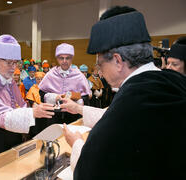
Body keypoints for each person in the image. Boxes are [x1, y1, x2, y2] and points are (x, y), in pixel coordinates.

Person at [61, 6, 186, 179]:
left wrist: (76, 144)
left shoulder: (133, 99)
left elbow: (90, 171)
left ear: (118, 61)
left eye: (100, 64)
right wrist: (79, 109)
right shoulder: (171, 82)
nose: (100, 71)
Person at [0, 35, 54, 163]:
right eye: (9, 63)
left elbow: (20, 105)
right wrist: (32, 113)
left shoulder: (10, 81)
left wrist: (34, 108)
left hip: (11, 142)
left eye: (16, 63)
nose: (14, 68)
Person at [38, 43, 91, 125]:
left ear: (72, 58)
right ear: (57, 59)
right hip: (53, 116)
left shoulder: (79, 75)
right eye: (61, 58)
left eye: (68, 58)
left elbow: (85, 97)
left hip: (73, 116)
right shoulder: (51, 74)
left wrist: (74, 101)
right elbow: (42, 93)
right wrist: (54, 97)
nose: (64, 61)